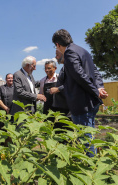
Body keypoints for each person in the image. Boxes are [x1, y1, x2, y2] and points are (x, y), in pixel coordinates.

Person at [52, 29, 108, 157]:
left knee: (85, 140)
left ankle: (89, 170)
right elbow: (95, 72)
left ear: (57, 45)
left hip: (81, 103)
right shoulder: (83, 51)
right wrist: (99, 87)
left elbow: (80, 76)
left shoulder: (69, 53)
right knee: (89, 136)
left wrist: (96, 91)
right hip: (90, 103)